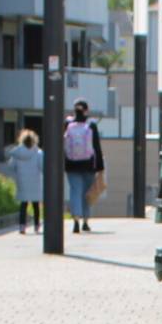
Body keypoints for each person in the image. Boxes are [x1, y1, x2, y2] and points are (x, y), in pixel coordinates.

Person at [61, 99, 104, 233]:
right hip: (88, 164)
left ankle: (75, 221)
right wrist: (100, 167)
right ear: (86, 111)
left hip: (71, 164)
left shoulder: (68, 124)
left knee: (75, 191)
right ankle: (85, 221)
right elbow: (96, 147)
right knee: (87, 193)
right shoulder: (91, 125)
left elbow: (63, 144)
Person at [3, 129, 44, 233]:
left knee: (23, 204)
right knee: (36, 205)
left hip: (22, 181)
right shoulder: (38, 153)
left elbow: (11, 166)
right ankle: (36, 226)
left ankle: (22, 226)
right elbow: (42, 167)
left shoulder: (17, 153)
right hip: (35, 182)